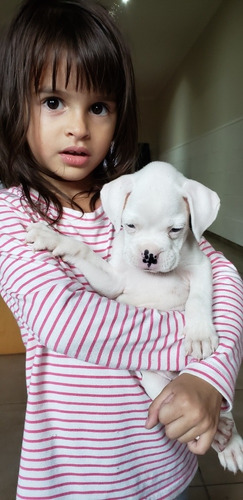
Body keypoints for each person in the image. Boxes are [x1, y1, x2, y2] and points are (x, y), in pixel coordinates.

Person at [0, 1, 242, 499]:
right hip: (76, 476)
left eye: (99, 106)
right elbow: (65, 321)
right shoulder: (14, 213)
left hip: (165, 461)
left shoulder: (135, 198)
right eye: (52, 101)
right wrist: (194, 336)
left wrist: (211, 378)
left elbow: (225, 277)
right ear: (14, 102)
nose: (78, 127)